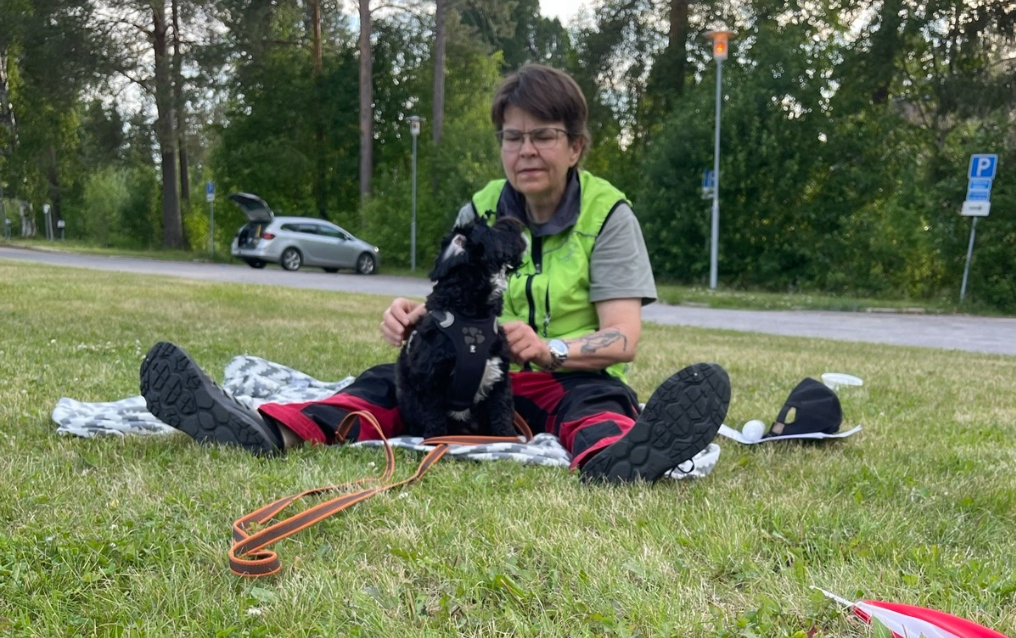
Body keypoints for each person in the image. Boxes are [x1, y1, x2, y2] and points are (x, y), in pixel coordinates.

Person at [140, 64, 730, 483]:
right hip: (467, 374)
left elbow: (623, 338)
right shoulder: (481, 208)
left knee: (597, 403)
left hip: (562, 377)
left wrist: (550, 349)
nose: (525, 150)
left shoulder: (608, 214)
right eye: (512, 137)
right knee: (384, 384)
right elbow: (452, 295)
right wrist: (414, 315)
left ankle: (617, 459)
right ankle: (270, 430)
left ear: (576, 147)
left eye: (543, 136)